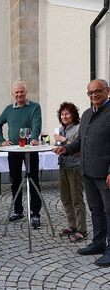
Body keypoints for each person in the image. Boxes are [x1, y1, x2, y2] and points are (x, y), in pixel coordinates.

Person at [55, 79, 110, 267]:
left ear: (107, 91)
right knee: (96, 209)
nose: (94, 95)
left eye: (98, 91)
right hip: (87, 171)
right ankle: (98, 243)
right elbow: (81, 141)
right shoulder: (87, 115)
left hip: (105, 173)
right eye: (90, 93)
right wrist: (67, 149)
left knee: (109, 210)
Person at [0, 80, 42, 229]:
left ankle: (35, 213)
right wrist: (2, 140)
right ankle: (18, 211)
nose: (19, 94)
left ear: (26, 92)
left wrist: (34, 138)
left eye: (22, 91)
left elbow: (36, 124)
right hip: (14, 150)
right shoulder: (9, 109)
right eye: (17, 92)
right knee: (15, 181)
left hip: (30, 149)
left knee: (33, 180)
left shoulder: (35, 107)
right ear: (13, 94)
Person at [54, 102, 87, 242]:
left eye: (67, 113)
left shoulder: (79, 128)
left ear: (73, 115)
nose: (65, 116)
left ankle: (82, 230)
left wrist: (63, 140)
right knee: (65, 197)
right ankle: (72, 225)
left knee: (77, 199)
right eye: (62, 114)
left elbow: (78, 146)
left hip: (75, 167)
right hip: (63, 166)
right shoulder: (62, 129)